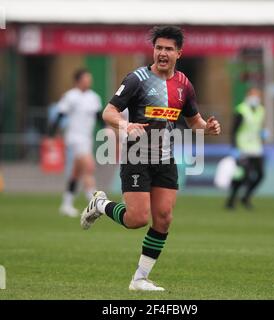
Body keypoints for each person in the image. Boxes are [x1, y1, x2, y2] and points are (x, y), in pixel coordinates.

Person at [81, 26, 221, 291]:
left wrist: (208, 127)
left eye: (168, 49)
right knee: (136, 219)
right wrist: (124, 126)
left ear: (179, 53)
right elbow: (109, 112)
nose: (162, 53)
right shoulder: (137, 79)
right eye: (159, 48)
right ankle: (100, 204)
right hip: (137, 156)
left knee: (164, 217)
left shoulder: (184, 85)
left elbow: (194, 122)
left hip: (166, 157)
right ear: (153, 50)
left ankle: (139, 280)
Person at [49, 68, 102, 217]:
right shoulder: (70, 96)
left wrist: (108, 130)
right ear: (78, 80)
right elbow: (60, 115)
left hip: (87, 137)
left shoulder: (94, 97)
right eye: (86, 78)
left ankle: (66, 203)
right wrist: (51, 135)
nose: (89, 81)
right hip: (75, 138)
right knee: (89, 167)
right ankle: (94, 201)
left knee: (76, 173)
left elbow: (98, 116)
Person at [225, 87, 265, 210]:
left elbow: (257, 127)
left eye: (258, 95)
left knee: (260, 175)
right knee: (244, 175)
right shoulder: (241, 110)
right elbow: (234, 130)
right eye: (253, 95)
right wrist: (234, 147)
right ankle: (231, 200)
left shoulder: (261, 110)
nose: (256, 98)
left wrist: (262, 134)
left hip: (256, 148)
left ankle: (245, 197)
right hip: (242, 147)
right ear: (247, 96)